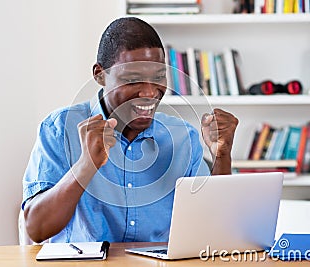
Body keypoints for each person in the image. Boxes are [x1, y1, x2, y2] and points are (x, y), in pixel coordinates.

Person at [22, 17, 238, 244]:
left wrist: (222, 156)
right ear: (100, 74)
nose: (149, 92)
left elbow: (214, 229)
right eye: (133, 79)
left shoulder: (183, 137)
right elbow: (37, 229)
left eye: (158, 77)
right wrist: (86, 165)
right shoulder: (59, 129)